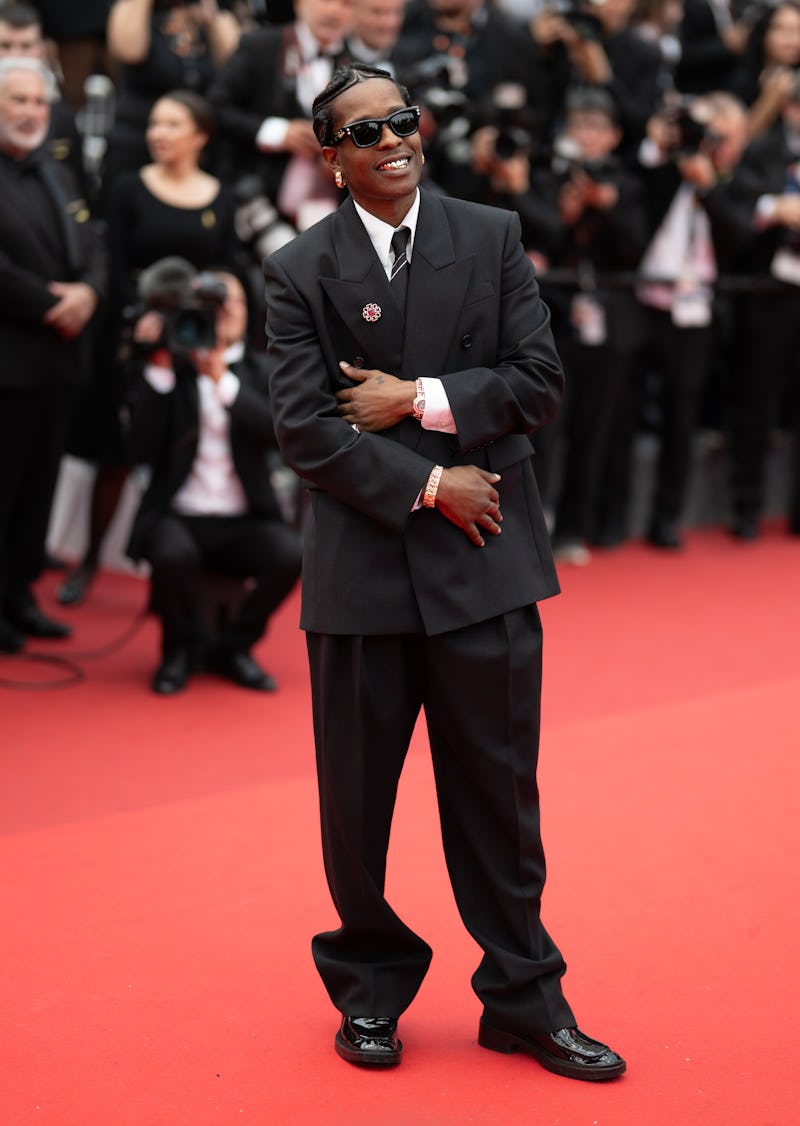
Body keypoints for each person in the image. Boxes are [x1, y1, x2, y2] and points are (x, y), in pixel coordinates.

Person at [263, 62, 626, 1078]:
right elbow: (303, 430)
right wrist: (431, 488)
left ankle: (523, 995)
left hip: (488, 562)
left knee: (499, 798)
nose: (392, 139)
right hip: (364, 569)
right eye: (364, 129)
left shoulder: (493, 235)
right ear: (330, 158)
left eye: (403, 120)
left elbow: (538, 383)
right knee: (356, 805)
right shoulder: (296, 269)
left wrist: (417, 397)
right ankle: (368, 984)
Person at [58, 89, 241, 608]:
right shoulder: (126, 187)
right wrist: (135, 325)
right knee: (117, 457)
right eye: (154, 122)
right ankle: (92, 559)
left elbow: (226, 265)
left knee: (180, 454)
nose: (158, 133)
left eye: (172, 124)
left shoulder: (220, 196)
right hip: (130, 342)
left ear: (200, 136)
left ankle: (172, 579)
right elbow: (110, 263)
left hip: (195, 344)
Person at [126, 265, 302, 694]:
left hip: (243, 519)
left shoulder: (261, 370)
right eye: (213, 304)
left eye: (234, 302)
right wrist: (161, 369)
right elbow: (139, 449)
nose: (223, 312)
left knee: (290, 555)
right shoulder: (172, 368)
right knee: (170, 552)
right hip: (178, 515)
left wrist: (222, 380)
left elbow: (278, 433)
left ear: (248, 312)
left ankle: (232, 648)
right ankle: (179, 650)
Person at [0, 56, 106, 654]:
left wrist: (90, 292)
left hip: (59, 363)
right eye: (18, 101)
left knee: (38, 488)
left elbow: (94, 238)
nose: (31, 113)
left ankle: (19, 596)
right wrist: (50, 303)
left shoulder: (57, 167)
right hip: (10, 360)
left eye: (38, 102)